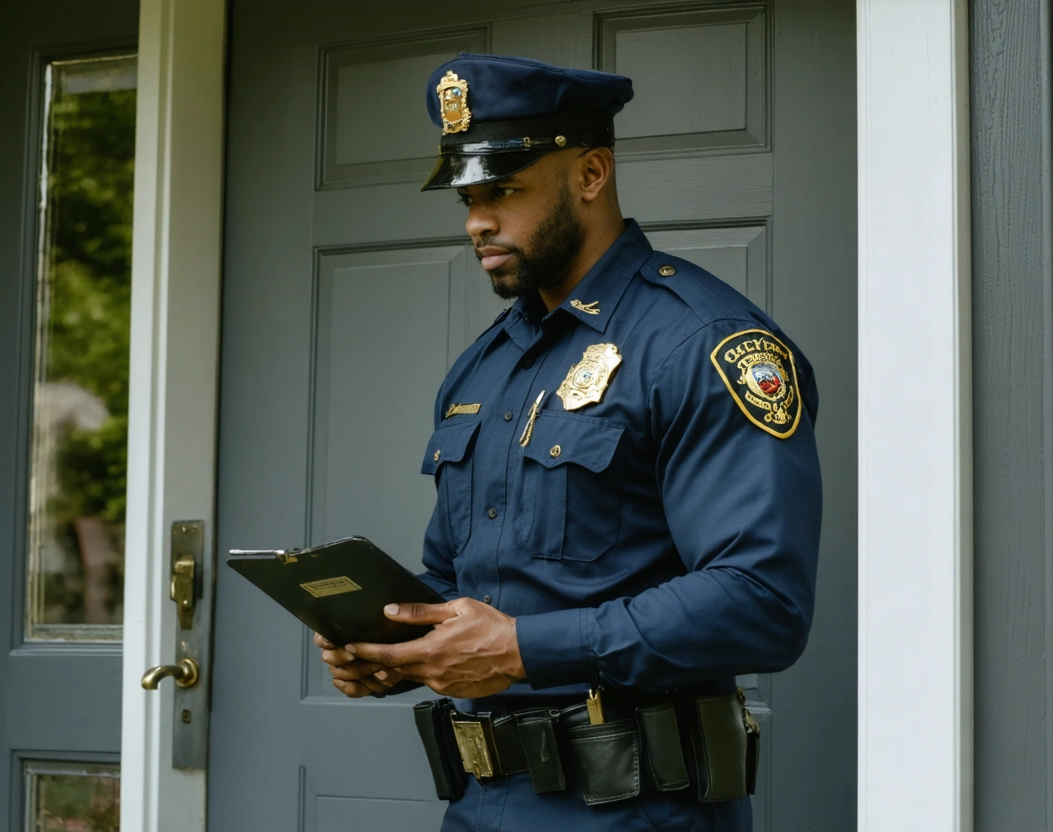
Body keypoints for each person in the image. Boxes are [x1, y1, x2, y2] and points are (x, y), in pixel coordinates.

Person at [315, 54, 822, 832]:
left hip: (639, 810)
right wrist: (394, 646)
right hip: (482, 804)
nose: (476, 221)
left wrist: (523, 650)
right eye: (467, 196)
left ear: (591, 174)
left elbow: (762, 602)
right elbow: (461, 581)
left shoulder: (703, 342)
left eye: (504, 191)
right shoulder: (484, 367)